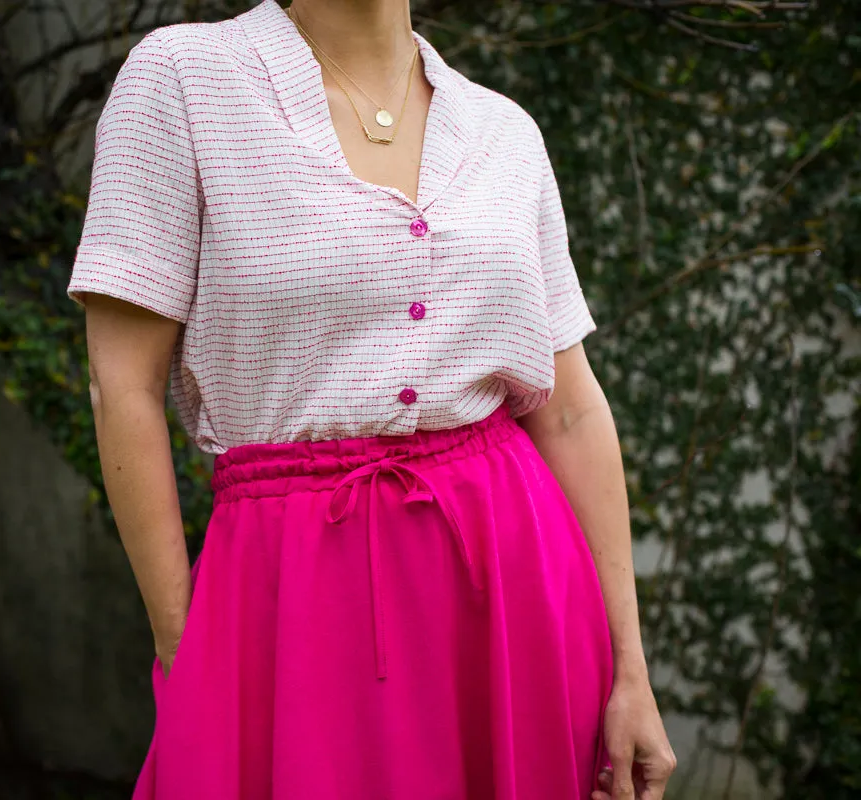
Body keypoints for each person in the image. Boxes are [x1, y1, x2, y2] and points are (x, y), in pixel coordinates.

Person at [66, 1, 676, 798]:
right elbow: (124, 387)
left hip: (510, 587)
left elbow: (568, 409)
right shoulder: (183, 81)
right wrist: (187, 649)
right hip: (288, 592)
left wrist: (631, 669)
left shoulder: (505, 134)